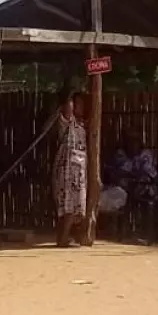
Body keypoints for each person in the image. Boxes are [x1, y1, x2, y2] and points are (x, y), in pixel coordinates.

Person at [52, 92, 88, 247]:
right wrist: (71, 94)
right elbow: (67, 109)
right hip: (67, 172)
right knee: (68, 206)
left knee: (75, 207)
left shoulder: (81, 125)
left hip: (77, 172)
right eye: (77, 104)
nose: (80, 107)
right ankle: (63, 239)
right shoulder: (67, 123)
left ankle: (65, 237)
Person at [108, 128, 158, 201]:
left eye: (135, 141)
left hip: (144, 183)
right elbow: (121, 170)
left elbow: (148, 171)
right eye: (130, 141)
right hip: (125, 187)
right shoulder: (120, 153)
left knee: (145, 182)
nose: (133, 144)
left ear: (139, 142)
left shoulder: (146, 154)